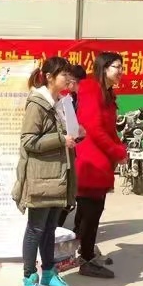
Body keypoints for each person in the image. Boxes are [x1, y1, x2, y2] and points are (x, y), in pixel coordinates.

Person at [12, 56, 78, 286]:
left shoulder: (60, 103)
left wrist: (75, 133)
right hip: (41, 177)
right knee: (36, 229)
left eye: (69, 74)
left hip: (57, 175)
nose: (68, 79)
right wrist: (61, 139)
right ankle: (29, 278)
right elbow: (28, 141)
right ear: (49, 77)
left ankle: (49, 273)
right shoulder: (37, 104)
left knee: (50, 228)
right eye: (64, 74)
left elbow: (63, 133)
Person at [73, 52, 127, 278]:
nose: (120, 71)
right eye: (116, 67)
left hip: (101, 159)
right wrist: (116, 151)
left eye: (121, 67)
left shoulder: (107, 92)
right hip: (90, 160)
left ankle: (85, 252)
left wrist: (120, 149)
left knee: (93, 211)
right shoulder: (90, 88)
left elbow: (109, 129)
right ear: (104, 68)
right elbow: (93, 127)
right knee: (90, 212)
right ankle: (86, 259)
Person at [58, 63, 87, 228]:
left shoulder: (86, 99)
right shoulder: (72, 98)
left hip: (82, 150)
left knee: (76, 192)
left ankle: (66, 228)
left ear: (73, 81)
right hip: (74, 147)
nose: (65, 83)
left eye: (66, 79)